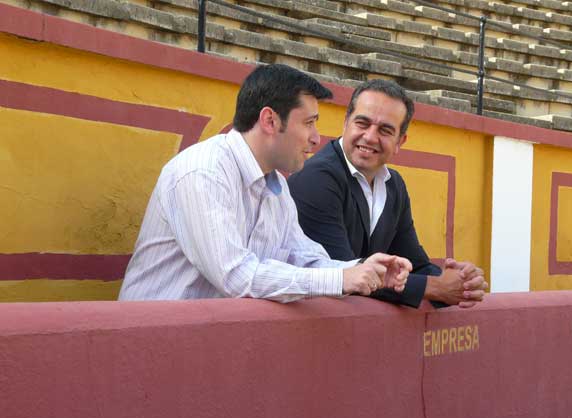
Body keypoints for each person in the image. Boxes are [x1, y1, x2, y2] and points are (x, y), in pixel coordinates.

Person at [119, 65, 412, 302]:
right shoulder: (203, 172)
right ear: (270, 121)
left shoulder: (277, 186)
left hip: (211, 346)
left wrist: (361, 270)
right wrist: (340, 279)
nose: (316, 138)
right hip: (151, 350)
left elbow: (304, 258)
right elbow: (236, 276)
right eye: (308, 123)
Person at [288, 79, 488, 308]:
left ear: (400, 141)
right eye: (362, 123)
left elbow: (415, 263)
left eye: (385, 130)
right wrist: (437, 288)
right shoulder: (316, 178)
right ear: (345, 123)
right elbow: (344, 272)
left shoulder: (394, 186)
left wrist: (460, 282)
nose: (370, 137)